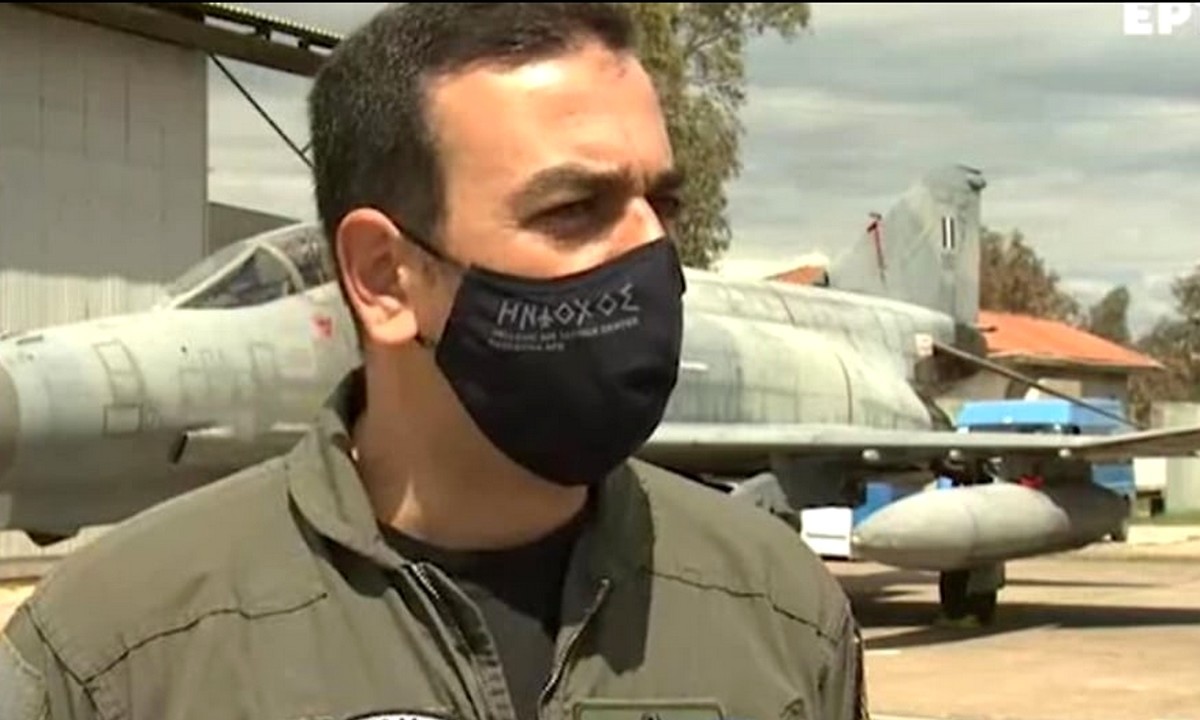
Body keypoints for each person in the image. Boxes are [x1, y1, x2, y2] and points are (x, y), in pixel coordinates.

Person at [0, 4, 867, 720]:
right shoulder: (115, 660)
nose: (653, 256)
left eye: (662, 205)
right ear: (384, 277)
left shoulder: (785, 615)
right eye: (574, 209)